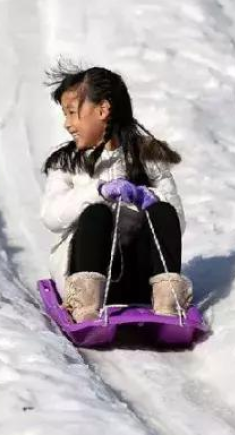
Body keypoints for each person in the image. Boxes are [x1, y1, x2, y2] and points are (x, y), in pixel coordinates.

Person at [40, 64, 192, 322]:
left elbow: (176, 223)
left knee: (163, 210)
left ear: (102, 110)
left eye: (72, 113)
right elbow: (51, 216)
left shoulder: (148, 157)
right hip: (84, 273)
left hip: (140, 279)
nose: (67, 124)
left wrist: (149, 198)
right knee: (96, 214)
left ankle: (167, 303)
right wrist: (97, 191)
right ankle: (85, 307)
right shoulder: (66, 162)